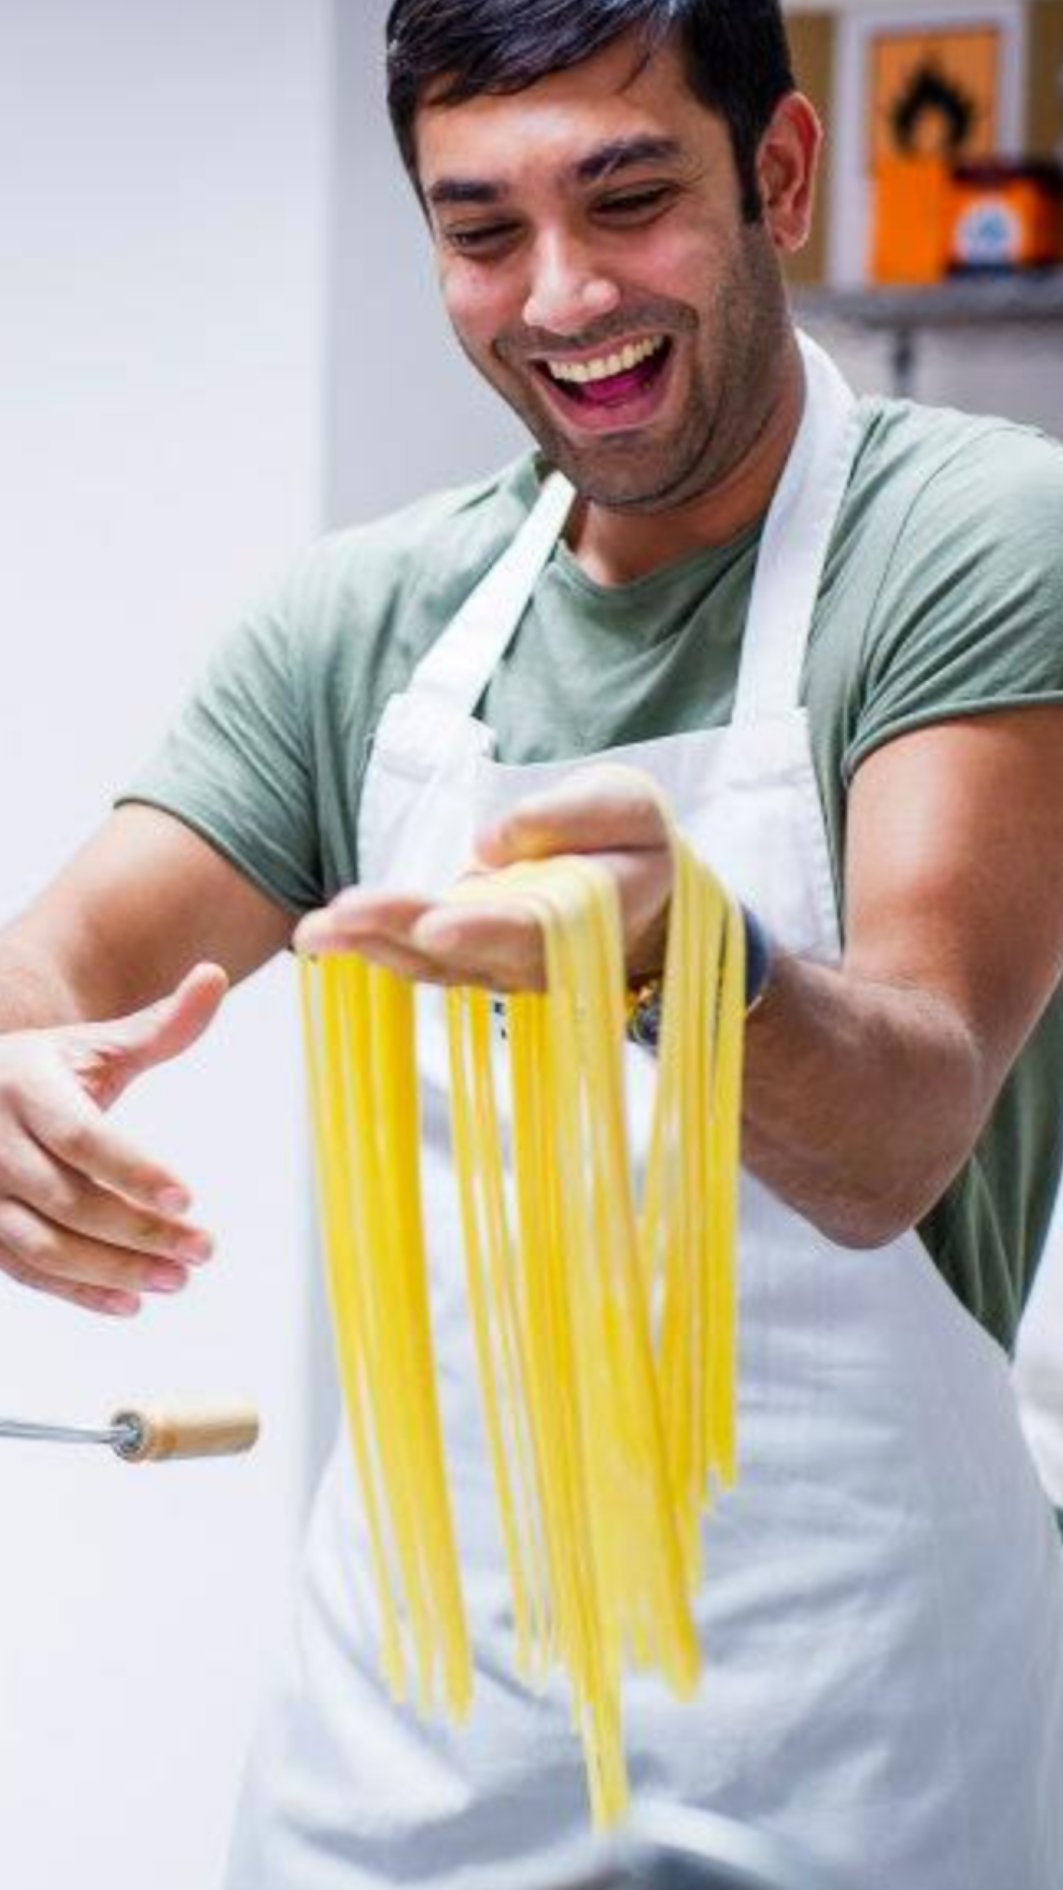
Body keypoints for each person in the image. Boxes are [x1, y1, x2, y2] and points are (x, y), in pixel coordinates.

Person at [1, 1, 1062, 1884]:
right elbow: (54, 967)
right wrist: (15, 1086)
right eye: (481, 231)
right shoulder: (365, 620)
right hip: (400, 1774)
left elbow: (901, 1127)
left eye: (629, 200)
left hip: (855, 1759)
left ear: (779, 175)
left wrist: (685, 961)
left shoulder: (967, 536)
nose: (561, 298)